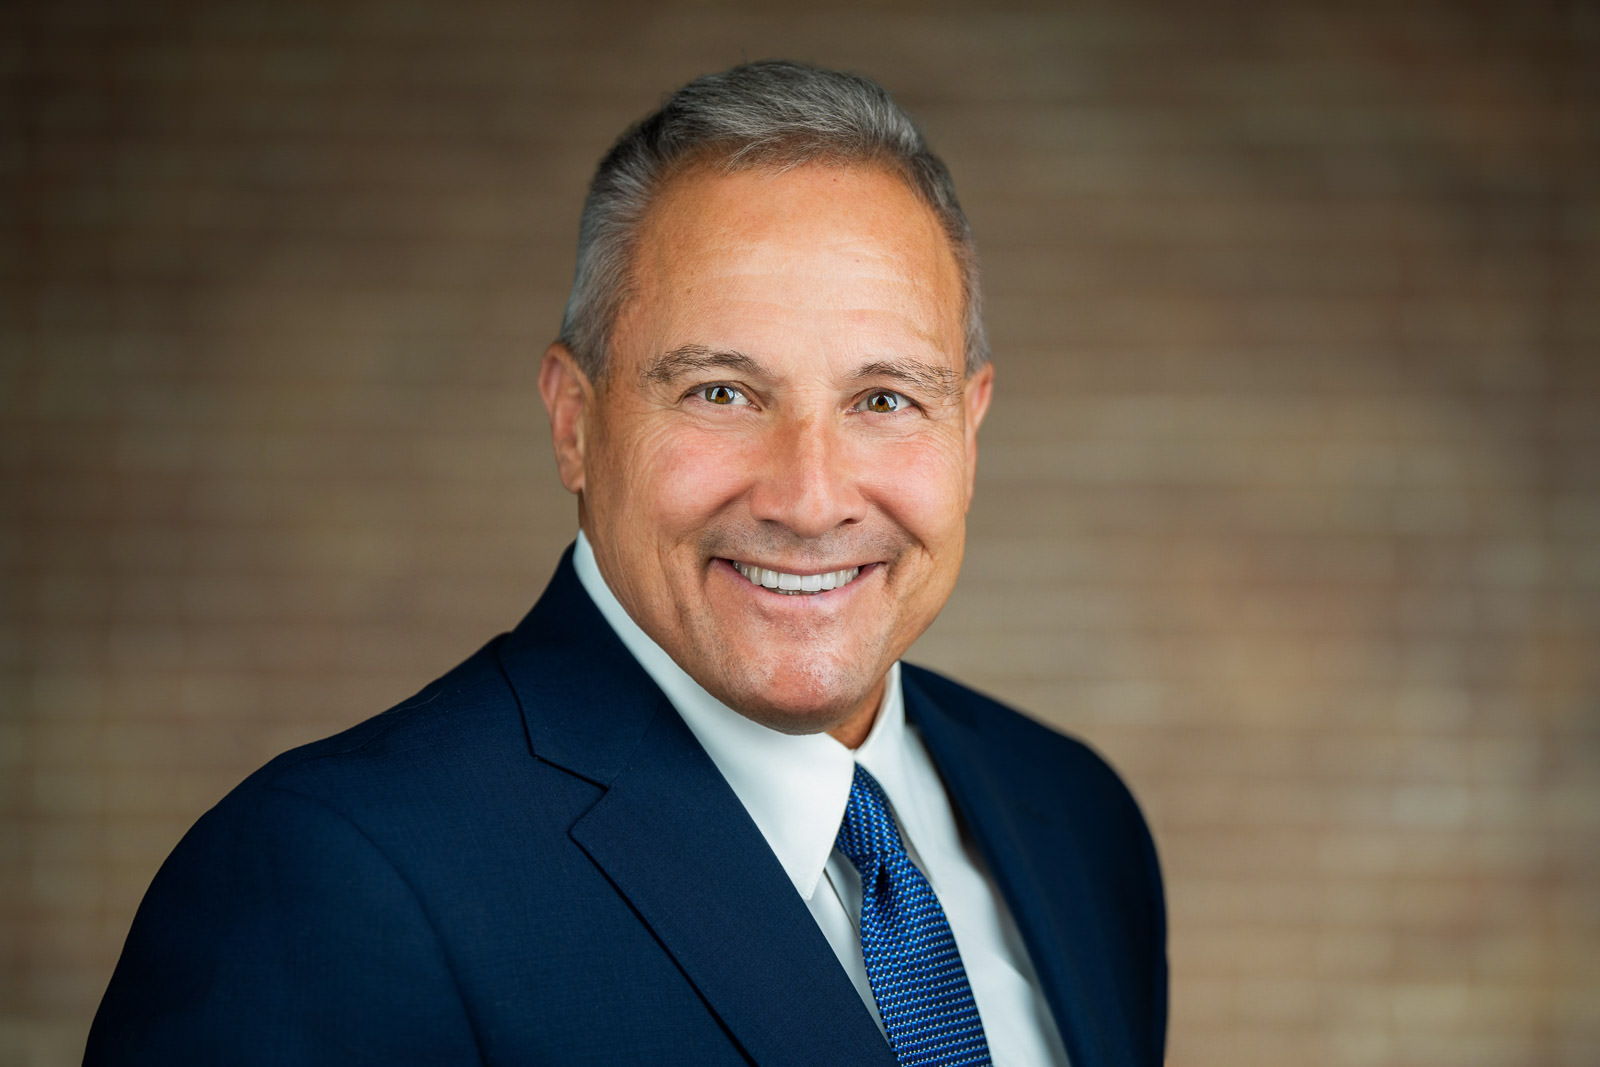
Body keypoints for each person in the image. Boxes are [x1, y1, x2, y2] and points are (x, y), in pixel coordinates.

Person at [86, 61, 1166, 1067]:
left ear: (969, 429)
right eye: (721, 392)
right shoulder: (324, 880)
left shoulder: (1072, 818)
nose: (810, 496)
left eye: (884, 399)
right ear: (574, 421)